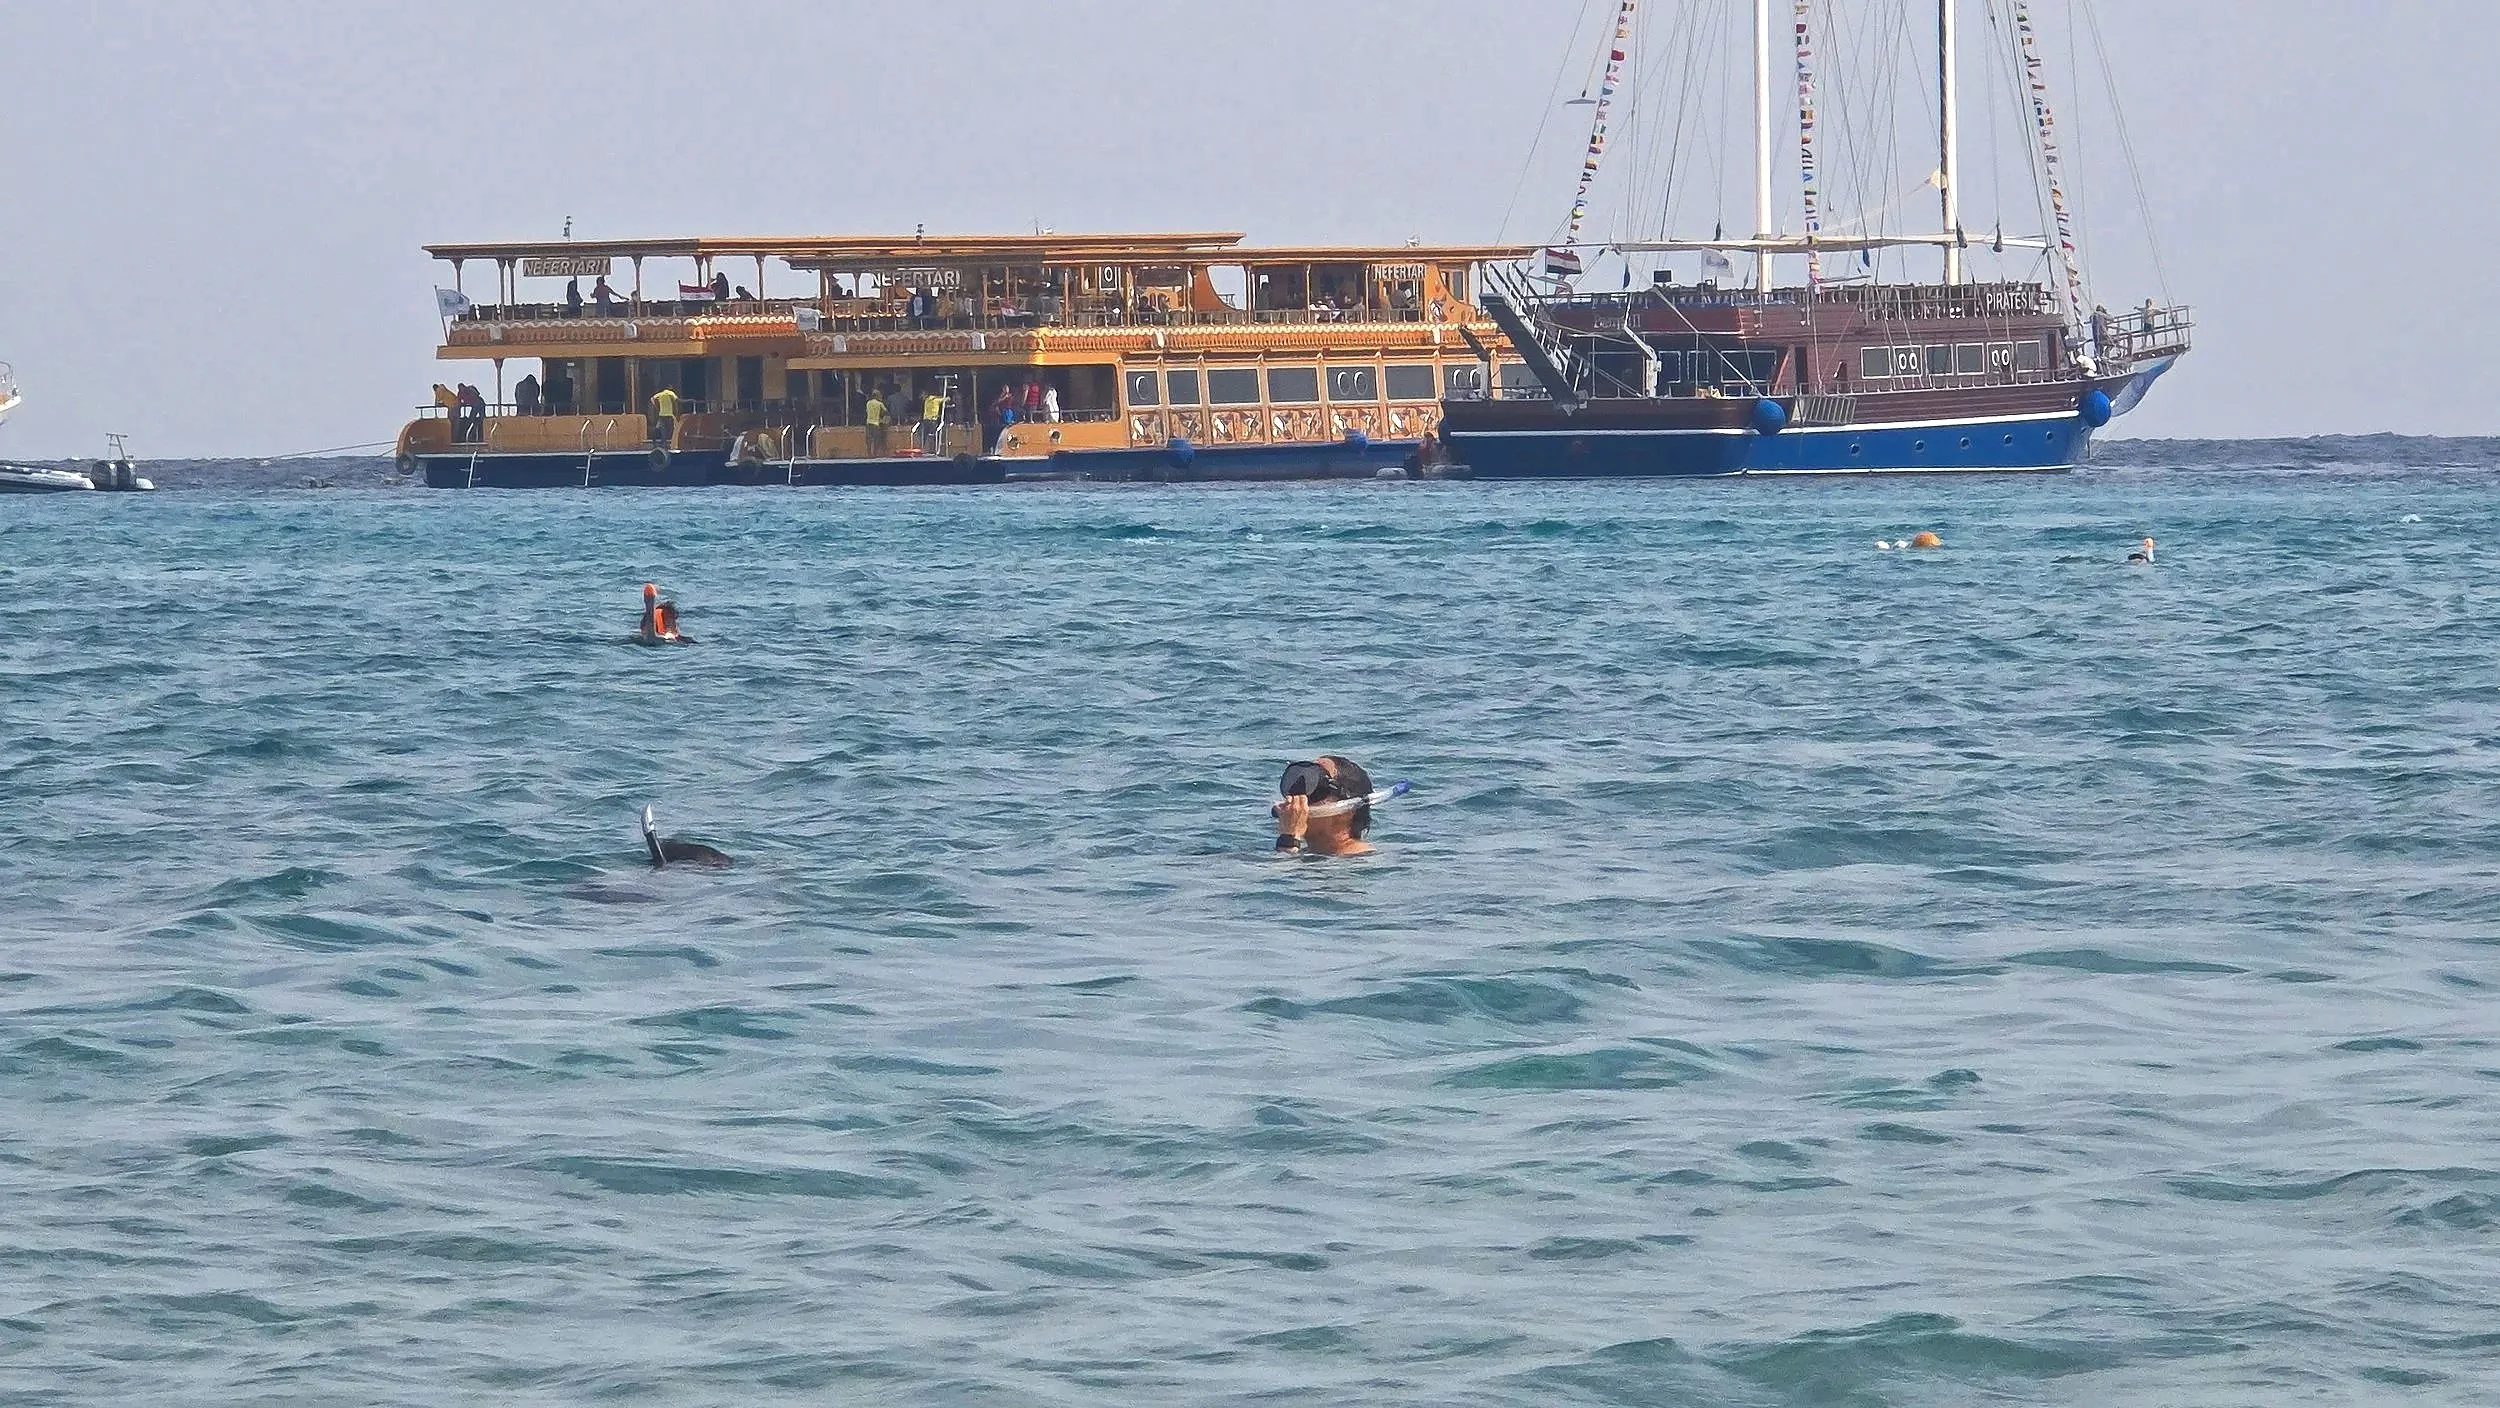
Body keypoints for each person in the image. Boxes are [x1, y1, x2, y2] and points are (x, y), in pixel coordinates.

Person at [1272, 755, 1377, 857]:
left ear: (1347, 811)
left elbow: (1284, 873)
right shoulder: (1303, 854)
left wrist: (1289, 838)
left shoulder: (1361, 862)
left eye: (1316, 786)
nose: (1298, 801)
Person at [865, 384, 890, 455]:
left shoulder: (868, 403)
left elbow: (867, 412)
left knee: (869, 440)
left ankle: (869, 453)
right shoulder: (880, 404)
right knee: (877, 439)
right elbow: (886, 412)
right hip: (876, 424)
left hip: (868, 423)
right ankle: (875, 453)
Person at [921, 386, 946, 453]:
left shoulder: (928, 400)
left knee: (925, 435)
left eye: (923, 394)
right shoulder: (935, 400)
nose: (921, 396)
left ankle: (926, 449)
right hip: (932, 420)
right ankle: (932, 449)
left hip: (928, 420)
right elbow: (945, 399)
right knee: (933, 435)